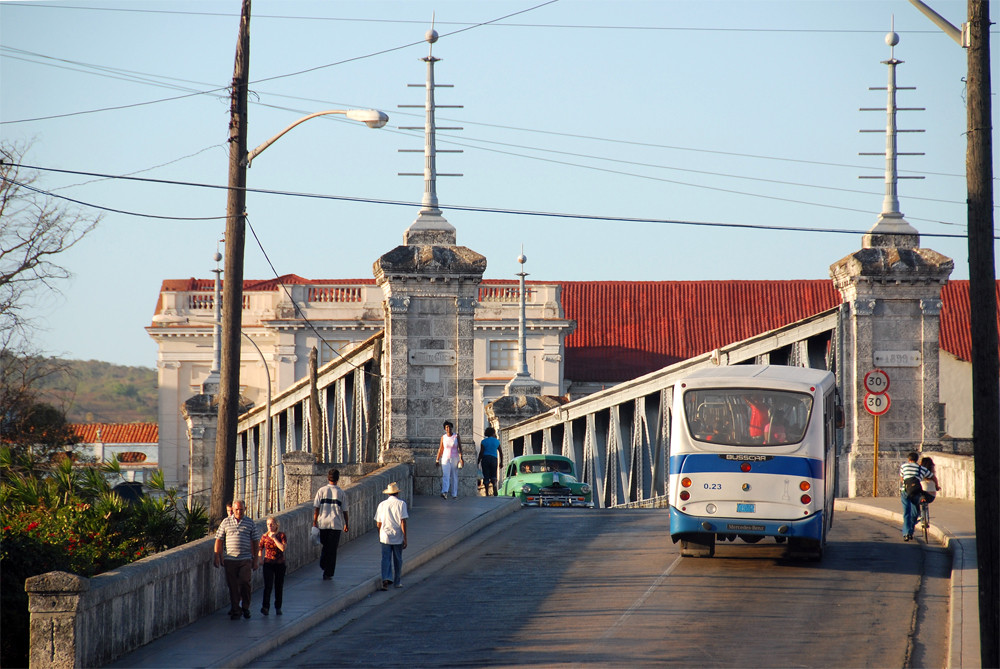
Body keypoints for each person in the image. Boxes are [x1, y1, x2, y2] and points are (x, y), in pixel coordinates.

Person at [213, 499, 260, 620]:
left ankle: (245, 605)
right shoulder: (226, 522)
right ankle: (236, 610)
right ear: (233, 510)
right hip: (230, 559)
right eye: (236, 509)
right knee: (233, 586)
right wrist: (217, 556)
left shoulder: (250, 523)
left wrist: (256, 560)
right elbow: (219, 539)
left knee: (245, 581)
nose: (239, 511)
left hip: (245, 558)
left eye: (241, 509)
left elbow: (255, 541)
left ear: (245, 509)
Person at [313, 468, 349, 581]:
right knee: (332, 549)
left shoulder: (321, 490)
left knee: (325, 545)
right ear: (338, 479)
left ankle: (323, 563)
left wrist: (315, 522)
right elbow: (345, 511)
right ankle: (328, 573)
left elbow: (316, 508)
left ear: (328, 478)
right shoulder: (341, 493)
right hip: (336, 524)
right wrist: (346, 524)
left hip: (323, 523)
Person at [374, 481, 408, 590]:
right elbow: (403, 521)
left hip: (385, 536)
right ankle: (397, 581)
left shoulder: (382, 504)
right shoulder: (401, 504)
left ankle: (385, 580)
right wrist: (405, 537)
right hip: (397, 535)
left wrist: (380, 533)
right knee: (398, 559)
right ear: (397, 493)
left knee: (385, 559)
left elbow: (378, 523)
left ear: (388, 494)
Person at [899, 452, 931, 542]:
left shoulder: (904, 466)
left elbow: (902, 478)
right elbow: (932, 476)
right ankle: (910, 532)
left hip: (905, 491)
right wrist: (936, 485)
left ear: (909, 460)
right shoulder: (921, 468)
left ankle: (906, 533)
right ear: (917, 460)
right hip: (915, 492)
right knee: (914, 512)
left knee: (906, 513)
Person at [259, 516, 286, 616]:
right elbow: (260, 548)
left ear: (276, 525)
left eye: (271, 524)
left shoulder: (281, 535)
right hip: (268, 563)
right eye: (268, 524)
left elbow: (283, 548)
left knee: (278, 586)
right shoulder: (264, 536)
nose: (269, 526)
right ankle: (265, 607)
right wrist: (260, 559)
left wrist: (274, 538)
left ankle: (278, 607)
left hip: (279, 564)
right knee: (268, 585)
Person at [435, 421, 464, 499]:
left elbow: (460, 448)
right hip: (445, 458)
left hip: (454, 458)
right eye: (446, 427)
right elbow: (441, 448)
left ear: (452, 427)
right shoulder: (443, 437)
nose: (448, 429)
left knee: (454, 476)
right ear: (445, 429)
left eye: (449, 427)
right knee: (446, 475)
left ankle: (454, 494)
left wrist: (461, 458)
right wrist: (437, 459)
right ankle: (444, 491)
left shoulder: (456, 436)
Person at [477, 427, 500, 496]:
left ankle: (487, 492)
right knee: (494, 474)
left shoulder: (484, 441)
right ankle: (494, 486)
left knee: (486, 475)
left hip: (485, 459)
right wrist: (501, 462)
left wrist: (478, 461)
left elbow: (481, 452)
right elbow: (501, 452)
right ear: (493, 433)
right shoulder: (497, 441)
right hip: (494, 459)